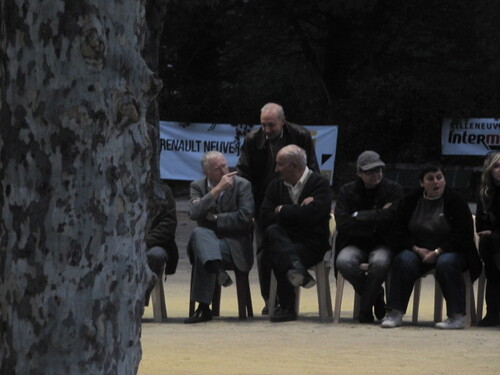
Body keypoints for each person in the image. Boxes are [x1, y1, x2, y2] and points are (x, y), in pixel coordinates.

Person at [237, 102, 320, 314]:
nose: (266, 130)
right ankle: (270, 299)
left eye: (271, 125)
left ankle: (287, 298)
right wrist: (248, 209)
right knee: (264, 251)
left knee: (284, 247)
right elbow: (244, 176)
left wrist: (312, 198)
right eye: (263, 125)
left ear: (283, 122)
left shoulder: (300, 135)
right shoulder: (251, 140)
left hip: (296, 199)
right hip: (264, 201)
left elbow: (312, 168)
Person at [382, 165, 482, 329]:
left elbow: (463, 235)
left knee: (446, 263)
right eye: (430, 178)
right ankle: (395, 313)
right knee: (402, 260)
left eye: (439, 177)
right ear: (422, 183)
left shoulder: (456, 200)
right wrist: (416, 249)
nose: (436, 182)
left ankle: (457, 316)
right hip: (418, 250)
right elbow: (397, 232)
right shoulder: (409, 200)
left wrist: (438, 252)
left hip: (451, 250)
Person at [260, 145, 332, 322]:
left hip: (311, 245)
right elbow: (264, 216)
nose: (276, 169)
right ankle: (297, 269)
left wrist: (283, 210)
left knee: (278, 252)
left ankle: (287, 307)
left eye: (280, 164)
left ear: (294, 165)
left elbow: (317, 215)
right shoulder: (275, 185)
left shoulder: (319, 184)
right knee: (272, 232)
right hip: (285, 240)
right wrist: (300, 210)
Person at [185, 151, 254, 324]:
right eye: (218, 169)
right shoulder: (197, 186)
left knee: (202, 246)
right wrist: (216, 190)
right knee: (200, 235)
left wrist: (216, 219)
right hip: (208, 243)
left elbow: (245, 217)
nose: (225, 171)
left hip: (234, 246)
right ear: (206, 172)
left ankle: (203, 308)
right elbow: (194, 213)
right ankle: (217, 270)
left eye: (225, 165)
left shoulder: (242, 185)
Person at [334, 151, 403, 323]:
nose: (377, 174)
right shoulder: (346, 191)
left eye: (379, 169)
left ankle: (364, 309)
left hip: (383, 243)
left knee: (380, 263)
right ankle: (376, 296)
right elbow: (343, 223)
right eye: (371, 171)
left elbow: (394, 217)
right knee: (343, 262)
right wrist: (379, 215)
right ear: (359, 172)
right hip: (354, 242)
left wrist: (358, 216)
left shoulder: (394, 189)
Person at [144, 181, 179, 306]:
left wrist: (146, 242)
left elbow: (168, 225)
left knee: (155, 256)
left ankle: (140, 302)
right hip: (125, 244)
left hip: (156, 243)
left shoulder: (162, 191)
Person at [475, 151, 500, 326]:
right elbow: (481, 228)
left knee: (492, 242)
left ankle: (492, 313)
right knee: (488, 242)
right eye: (496, 166)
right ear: (489, 170)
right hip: (493, 246)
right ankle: (492, 313)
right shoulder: (485, 193)